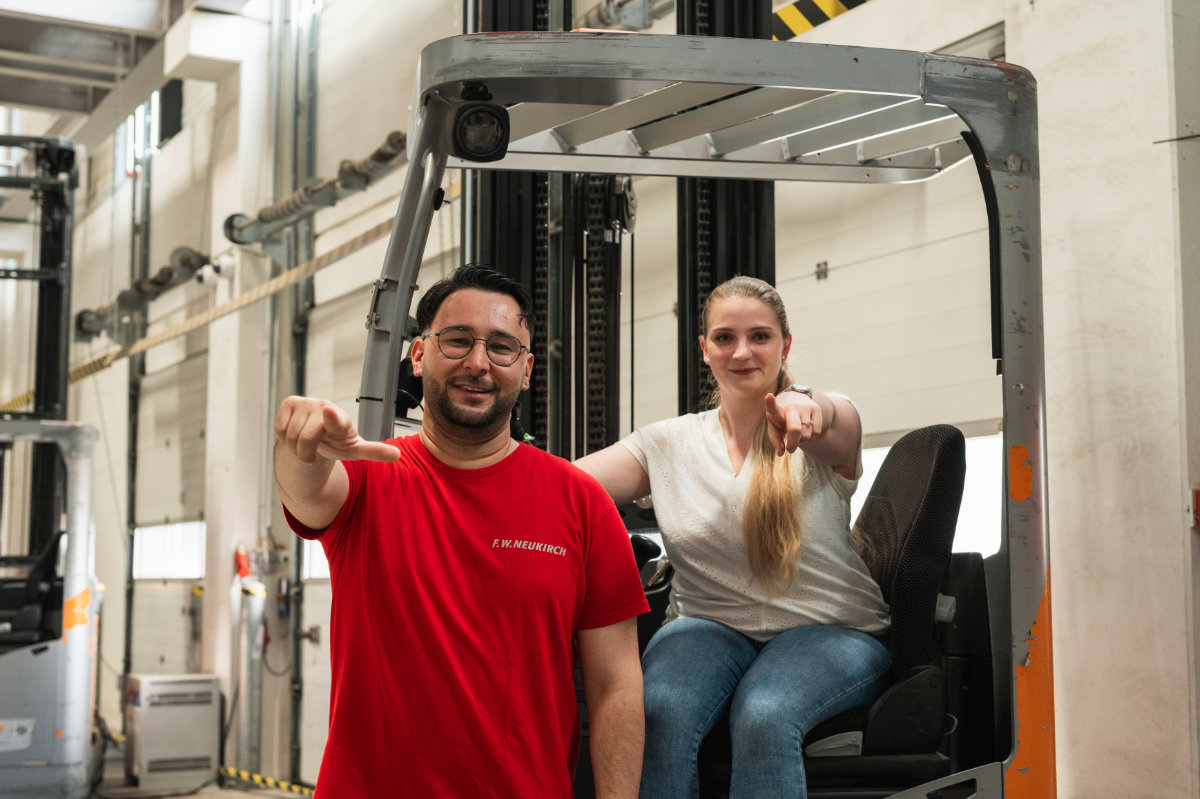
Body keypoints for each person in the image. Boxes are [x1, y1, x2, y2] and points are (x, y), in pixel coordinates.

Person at [274, 264, 649, 798]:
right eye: (457, 340)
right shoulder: (369, 475)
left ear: (526, 369)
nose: (478, 363)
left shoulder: (581, 502)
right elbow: (305, 493)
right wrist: (299, 445)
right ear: (420, 353)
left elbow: (616, 687)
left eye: (502, 347)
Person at [575, 275, 891, 799]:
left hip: (833, 629)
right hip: (706, 624)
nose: (742, 351)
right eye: (725, 338)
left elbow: (839, 420)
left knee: (765, 714)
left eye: (760, 336)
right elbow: (562, 486)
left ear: (784, 344)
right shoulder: (668, 443)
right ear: (704, 350)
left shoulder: (814, 428)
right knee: (656, 710)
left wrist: (806, 402)